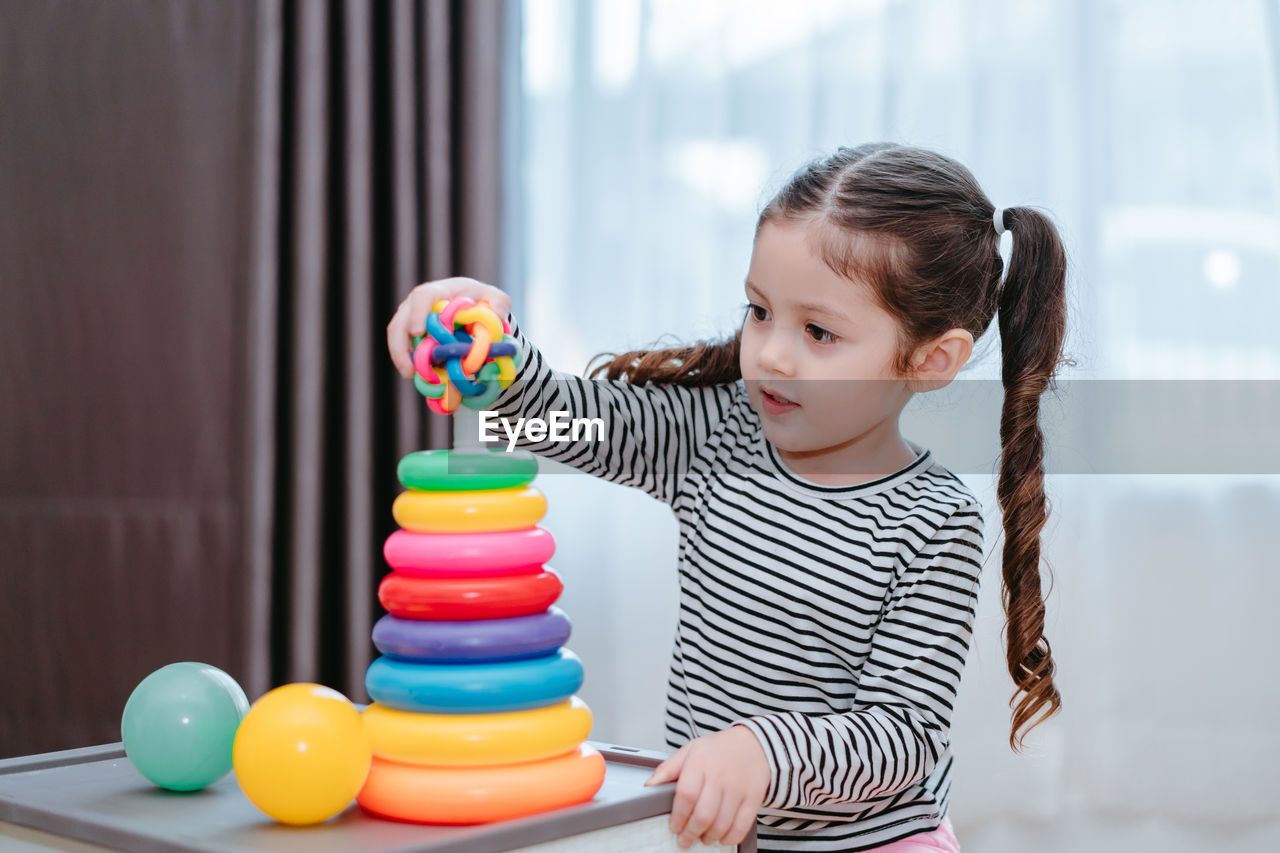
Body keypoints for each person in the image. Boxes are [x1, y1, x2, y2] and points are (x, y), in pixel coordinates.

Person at [386, 142, 1071, 853]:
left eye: (818, 331)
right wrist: (483, 345)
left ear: (930, 361)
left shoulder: (932, 522)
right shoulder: (715, 436)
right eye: (759, 310)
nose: (771, 352)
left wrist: (763, 752)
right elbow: (562, 418)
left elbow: (903, 735)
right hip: (715, 836)